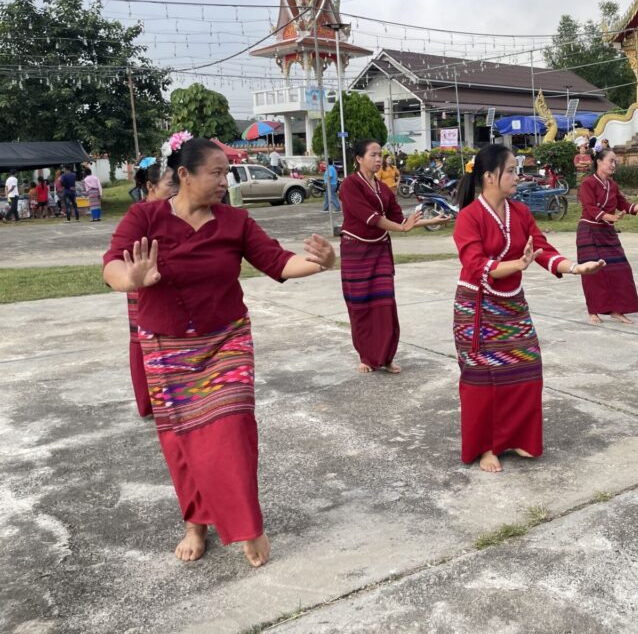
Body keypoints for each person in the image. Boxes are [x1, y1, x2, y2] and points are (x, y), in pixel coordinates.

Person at [102, 137, 336, 568]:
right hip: (167, 346)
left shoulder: (235, 222)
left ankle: (249, 525)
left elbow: (278, 262)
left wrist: (322, 262)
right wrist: (131, 278)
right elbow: (112, 265)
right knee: (182, 441)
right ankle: (196, 524)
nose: (223, 181)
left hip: (226, 339)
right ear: (185, 176)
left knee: (232, 429)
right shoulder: (145, 216)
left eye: (226, 172)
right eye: (216, 172)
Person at [453, 144, 604, 472]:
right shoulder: (469, 217)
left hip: (512, 306)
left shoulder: (519, 212)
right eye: (510, 170)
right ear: (490, 177)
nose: (516, 176)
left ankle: (516, 437)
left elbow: (543, 249)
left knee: (526, 367)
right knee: (483, 378)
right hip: (477, 307)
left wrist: (574, 268)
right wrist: (517, 263)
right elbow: (477, 264)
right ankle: (486, 448)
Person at [339, 139, 448, 374]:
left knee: (385, 304)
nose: (379, 159)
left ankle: (386, 357)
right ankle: (366, 357)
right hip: (356, 252)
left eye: (380, 155)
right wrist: (402, 229)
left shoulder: (383, 190)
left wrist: (431, 221)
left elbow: (400, 220)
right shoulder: (349, 185)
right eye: (373, 155)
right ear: (359, 159)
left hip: (379, 251)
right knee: (360, 306)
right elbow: (371, 218)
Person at [576, 149, 638, 324]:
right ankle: (593, 311)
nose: (614, 165)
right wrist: (608, 216)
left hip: (607, 233)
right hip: (589, 231)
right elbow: (590, 208)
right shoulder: (588, 183)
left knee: (621, 270)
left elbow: (625, 205)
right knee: (593, 273)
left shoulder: (612, 185)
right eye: (611, 161)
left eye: (615, 162)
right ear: (599, 161)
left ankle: (617, 310)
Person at [124, 162, 178, 419]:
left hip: (169, 280)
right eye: (169, 185)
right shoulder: (141, 213)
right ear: (150, 186)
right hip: (141, 281)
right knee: (141, 337)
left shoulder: (175, 209)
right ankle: (147, 403)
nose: (174, 190)